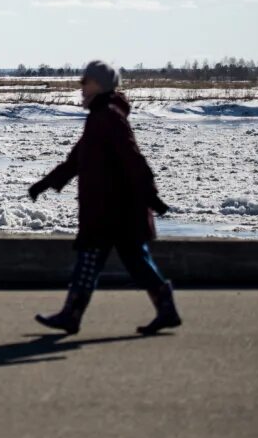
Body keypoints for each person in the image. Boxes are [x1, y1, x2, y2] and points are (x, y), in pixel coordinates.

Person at [28, 60, 182, 336]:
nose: (81, 87)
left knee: (102, 260)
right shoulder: (99, 117)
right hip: (110, 210)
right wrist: (45, 183)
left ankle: (72, 314)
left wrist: (151, 196)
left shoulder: (109, 117)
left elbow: (133, 158)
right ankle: (164, 308)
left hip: (115, 211)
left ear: (99, 84)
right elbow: (76, 160)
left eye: (85, 81)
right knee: (131, 261)